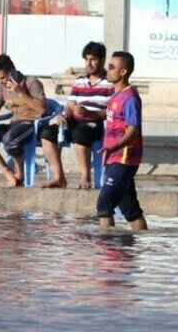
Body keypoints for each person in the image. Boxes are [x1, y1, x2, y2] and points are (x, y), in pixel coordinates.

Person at [39, 42, 112, 188]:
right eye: (86, 59)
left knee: (81, 133)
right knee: (47, 133)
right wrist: (64, 115)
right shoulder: (80, 81)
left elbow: (110, 111)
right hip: (75, 120)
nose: (89, 63)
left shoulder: (109, 83)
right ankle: (58, 177)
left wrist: (90, 113)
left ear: (103, 60)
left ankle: (85, 177)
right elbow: (70, 105)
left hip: (95, 123)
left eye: (93, 59)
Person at [0, 55, 48, 187]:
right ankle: (8, 172)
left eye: (3, 77)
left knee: (9, 140)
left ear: (12, 70)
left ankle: (20, 173)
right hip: (14, 124)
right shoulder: (2, 87)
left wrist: (21, 93)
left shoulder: (32, 83)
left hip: (31, 124)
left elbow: (42, 109)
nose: (1, 82)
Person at [96, 51, 147, 231]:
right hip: (113, 157)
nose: (107, 70)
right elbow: (111, 116)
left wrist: (113, 147)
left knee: (104, 204)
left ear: (123, 72)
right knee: (130, 209)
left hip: (124, 158)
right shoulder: (116, 95)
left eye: (111, 67)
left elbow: (133, 130)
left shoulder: (130, 98)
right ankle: (141, 241)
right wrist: (89, 114)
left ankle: (106, 248)